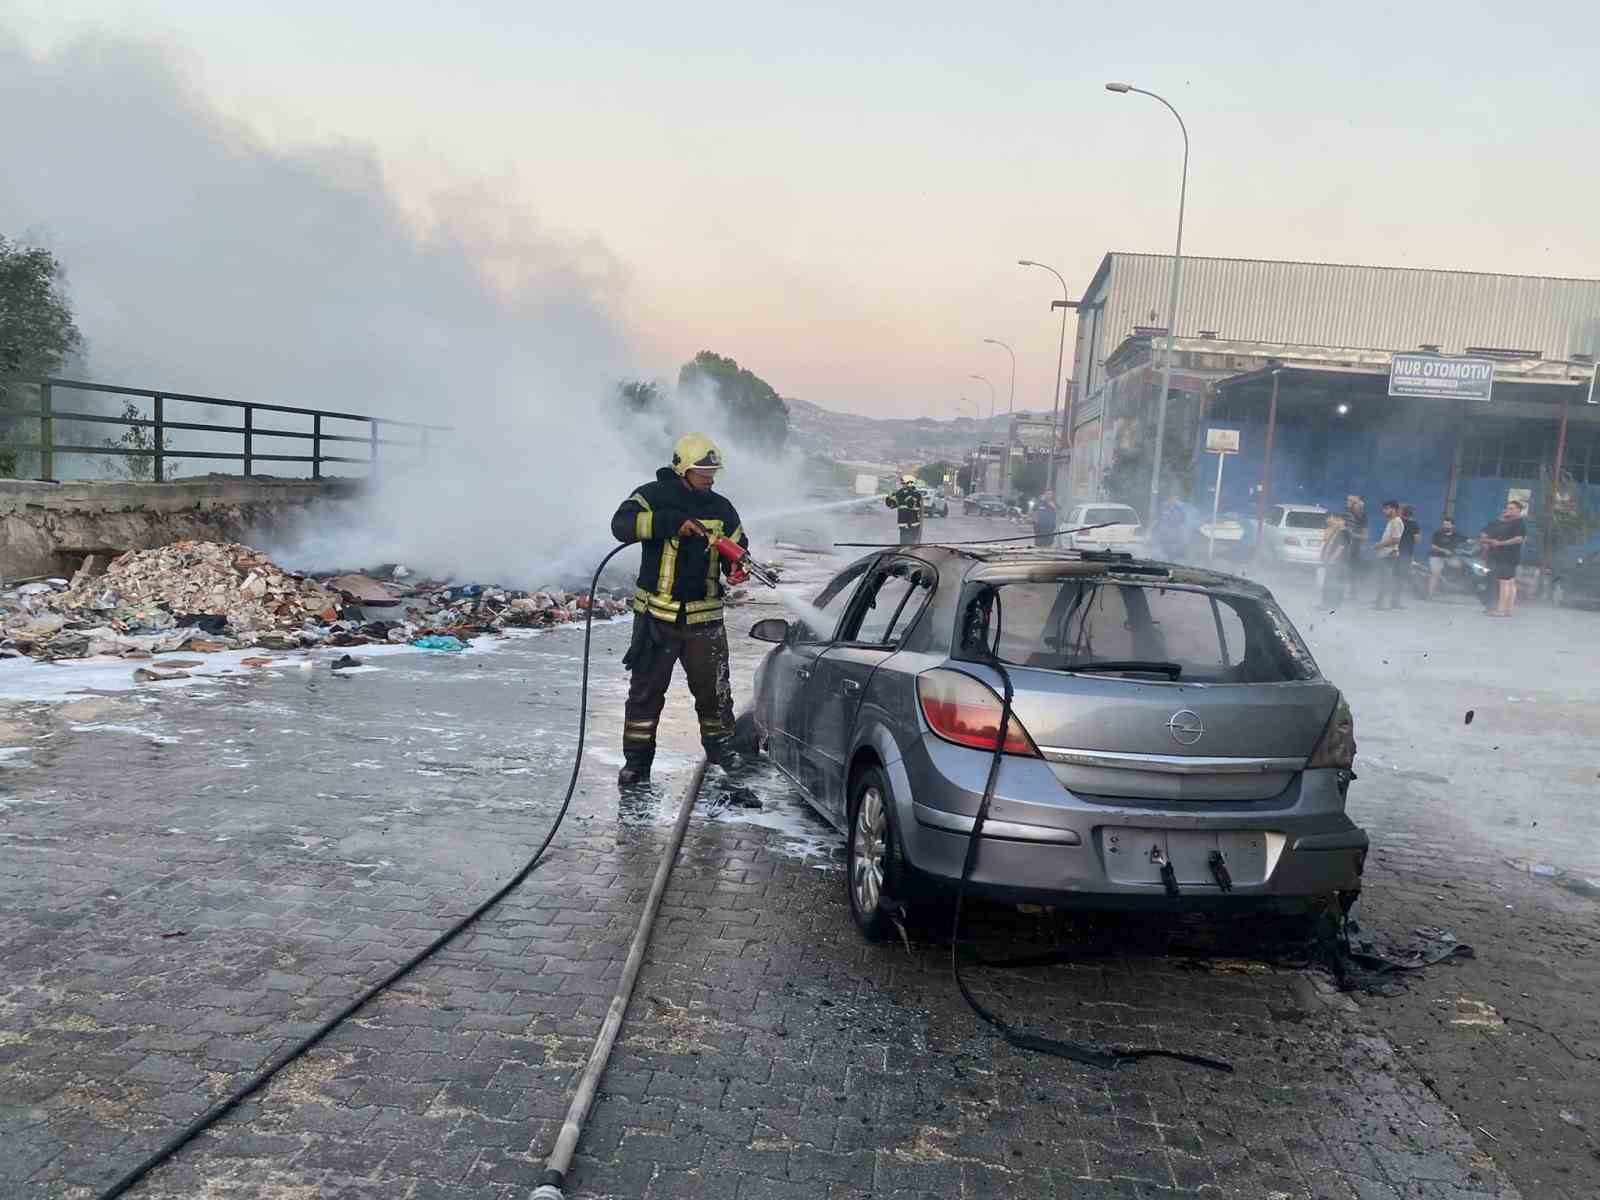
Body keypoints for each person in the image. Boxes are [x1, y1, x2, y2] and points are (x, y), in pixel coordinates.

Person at [610, 433, 749, 787]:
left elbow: (738, 545)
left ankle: (722, 751)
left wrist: (736, 567)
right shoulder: (652, 496)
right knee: (644, 695)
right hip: (656, 619)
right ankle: (637, 764)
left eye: (713, 471)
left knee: (715, 693)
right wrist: (669, 523)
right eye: (703, 471)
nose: (710, 478)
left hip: (705, 620)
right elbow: (621, 526)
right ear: (683, 468)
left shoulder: (721, 508)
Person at [1480, 498, 1528, 618]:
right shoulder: (1513, 523)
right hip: (1508, 556)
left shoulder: (1518, 523)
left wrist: (1501, 543)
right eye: (1508, 508)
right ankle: (1508, 610)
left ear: (1519, 511)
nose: (1508, 511)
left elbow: (1519, 539)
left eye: (1512, 509)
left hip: (1508, 556)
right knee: (1510, 582)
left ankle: (1501, 610)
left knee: (1504, 583)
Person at [1371, 499, 1406, 610]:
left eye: (1387, 509)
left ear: (1394, 509)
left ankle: (1381, 604)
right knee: (1384, 578)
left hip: (1389, 554)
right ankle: (1380, 602)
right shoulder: (1392, 521)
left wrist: (1379, 545)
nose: (1384, 511)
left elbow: (1396, 540)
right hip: (1387, 554)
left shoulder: (1396, 521)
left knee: (1385, 579)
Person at [1427, 515, 1466, 600]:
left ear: (1453, 526)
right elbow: (1433, 546)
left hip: (1450, 557)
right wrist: (1444, 550)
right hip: (1436, 556)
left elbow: (1467, 540)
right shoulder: (1438, 533)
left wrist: (1477, 542)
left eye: (1447, 524)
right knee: (1435, 574)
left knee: (1461, 565)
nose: (1445, 526)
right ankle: (1429, 593)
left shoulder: (1457, 535)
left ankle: (1454, 582)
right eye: (1444, 524)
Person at [1318, 513, 1352, 607]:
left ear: (1343, 521)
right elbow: (1329, 543)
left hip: (1338, 562)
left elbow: (1341, 547)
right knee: (1329, 582)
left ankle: (1333, 604)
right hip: (1333, 561)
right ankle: (1328, 603)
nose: (1336, 522)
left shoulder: (1345, 532)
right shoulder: (1337, 531)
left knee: (1333, 583)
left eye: (1338, 520)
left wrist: (1332, 559)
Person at [885, 474, 925, 545]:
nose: (903, 485)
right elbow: (892, 505)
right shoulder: (899, 493)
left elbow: (911, 504)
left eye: (904, 483)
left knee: (912, 545)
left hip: (913, 524)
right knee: (903, 544)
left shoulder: (916, 494)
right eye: (902, 483)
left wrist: (906, 495)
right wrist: (889, 499)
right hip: (903, 524)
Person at [1344, 495, 1368, 597]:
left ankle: (1353, 592)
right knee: (1343, 568)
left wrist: (1353, 535)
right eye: (1348, 500)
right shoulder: (1347, 514)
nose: (1347, 502)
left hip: (1354, 548)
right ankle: (1339, 590)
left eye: (1350, 501)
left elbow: (1365, 535)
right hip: (1344, 546)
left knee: (1353, 569)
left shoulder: (1362, 517)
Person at [1154, 495, 1188, 560]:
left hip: (1174, 532)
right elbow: (1158, 518)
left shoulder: (1179, 509)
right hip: (1164, 532)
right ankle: (1165, 558)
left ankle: (1171, 559)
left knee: (1172, 548)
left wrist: (1179, 529)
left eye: (1176, 499)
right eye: (1173, 499)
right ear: (1169, 499)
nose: (1174, 500)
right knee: (1163, 547)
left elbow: (1183, 520)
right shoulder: (1164, 507)